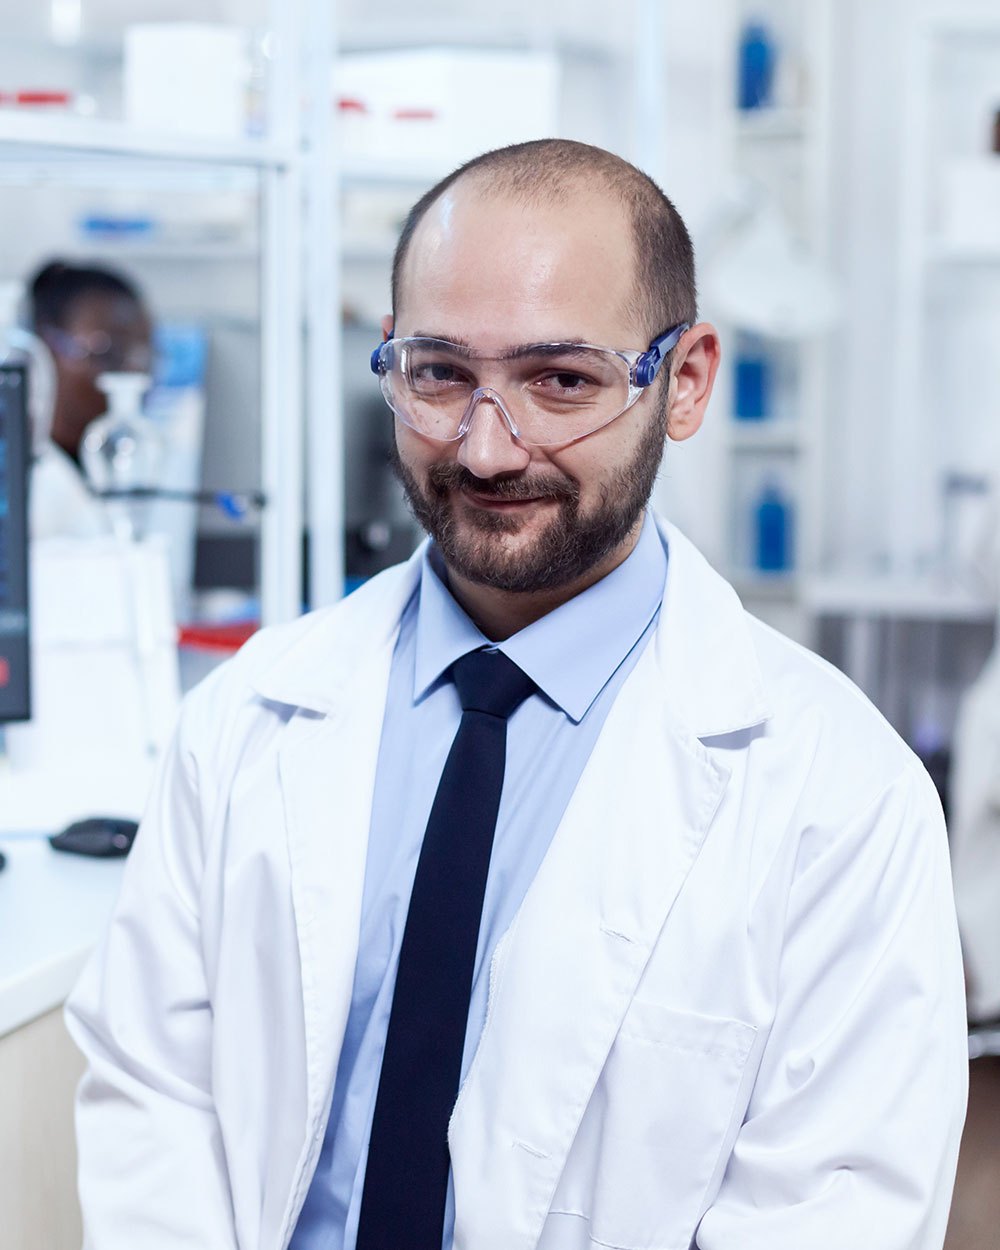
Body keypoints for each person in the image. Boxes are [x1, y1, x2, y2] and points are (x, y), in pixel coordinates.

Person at [66, 140, 967, 1250]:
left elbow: (835, 1214)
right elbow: (153, 1095)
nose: (486, 447)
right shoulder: (249, 714)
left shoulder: (841, 798)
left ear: (682, 381)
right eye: (439, 373)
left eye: (560, 380)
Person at [26, 259, 153, 538]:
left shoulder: (139, 456)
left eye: (146, 352)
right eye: (108, 351)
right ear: (44, 348)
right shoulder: (22, 475)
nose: (136, 371)